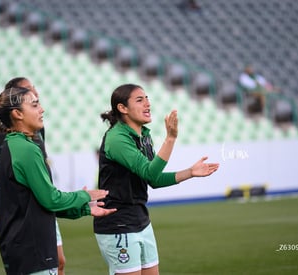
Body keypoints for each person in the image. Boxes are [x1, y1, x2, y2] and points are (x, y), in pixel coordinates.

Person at [0, 86, 116, 274]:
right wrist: (84, 195)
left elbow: (39, 204)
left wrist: (85, 208)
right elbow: (50, 199)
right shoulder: (25, 150)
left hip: (20, 250)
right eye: (35, 104)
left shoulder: (10, 146)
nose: (42, 109)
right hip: (34, 250)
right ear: (17, 114)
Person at [93, 84, 219, 275]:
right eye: (140, 100)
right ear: (122, 108)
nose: (147, 104)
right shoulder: (116, 138)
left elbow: (155, 179)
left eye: (147, 98)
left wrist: (190, 172)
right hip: (117, 222)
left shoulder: (144, 136)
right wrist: (170, 139)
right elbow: (150, 173)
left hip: (141, 219)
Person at [0, 77, 68, 275]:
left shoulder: (33, 130)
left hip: (40, 210)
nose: (36, 92)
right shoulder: (12, 138)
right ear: (16, 112)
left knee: (59, 261)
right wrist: (6, 179)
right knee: (51, 261)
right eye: (30, 92)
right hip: (31, 219)